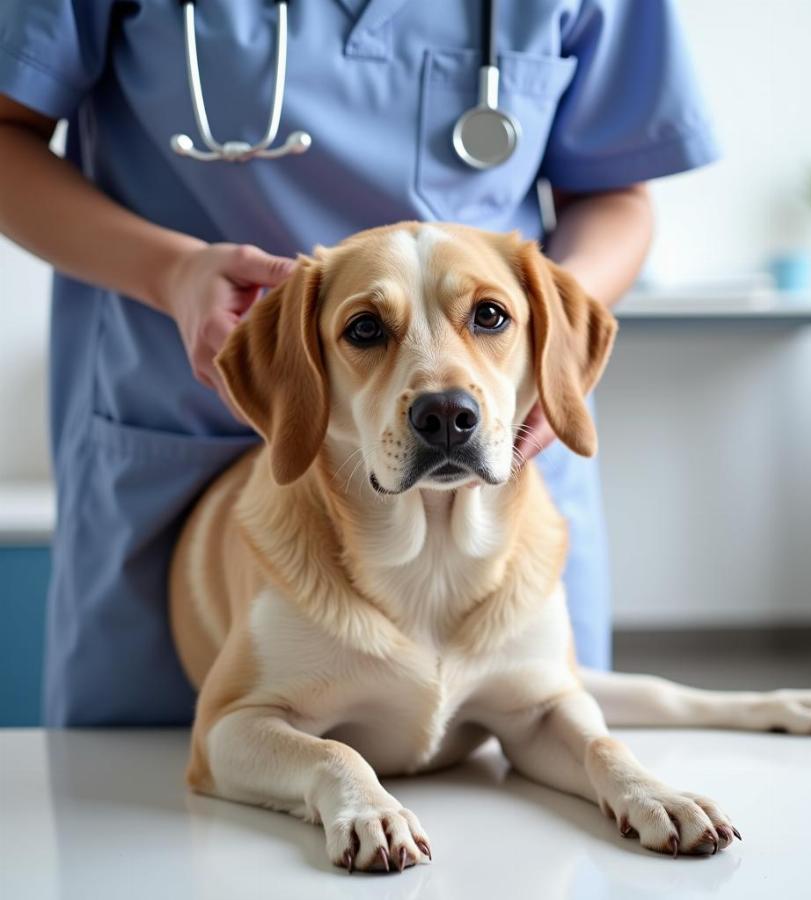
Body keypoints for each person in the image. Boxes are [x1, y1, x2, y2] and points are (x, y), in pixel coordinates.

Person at [0, 0, 717, 726]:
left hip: (503, 482)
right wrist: (172, 273)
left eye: (491, 317)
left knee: (546, 781)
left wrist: (549, 342)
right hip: (182, 429)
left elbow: (614, 190)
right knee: (150, 806)